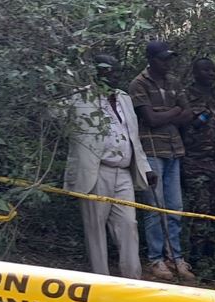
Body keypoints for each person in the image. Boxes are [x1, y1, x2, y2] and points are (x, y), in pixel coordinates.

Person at [59, 54, 156, 279]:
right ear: (97, 73)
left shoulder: (124, 98)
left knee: (129, 224)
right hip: (96, 170)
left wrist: (145, 167)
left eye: (115, 70)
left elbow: (133, 136)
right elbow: (52, 113)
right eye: (107, 70)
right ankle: (99, 282)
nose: (113, 74)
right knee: (95, 228)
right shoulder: (80, 97)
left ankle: (133, 281)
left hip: (123, 172)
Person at [129, 40, 195, 281]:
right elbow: (150, 119)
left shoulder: (174, 82)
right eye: (163, 59)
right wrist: (174, 112)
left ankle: (175, 257)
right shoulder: (138, 84)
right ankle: (156, 259)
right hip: (151, 150)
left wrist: (168, 115)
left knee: (175, 207)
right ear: (151, 59)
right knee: (155, 208)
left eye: (169, 58)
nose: (168, 63)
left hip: (174, 150)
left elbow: (188, 114)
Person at [181, 58, 215, 266]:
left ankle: (212, 259)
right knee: (200, 211)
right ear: (195, 73)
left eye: (213, 70)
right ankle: (197, 260)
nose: (211, 73)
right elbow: (184, 125)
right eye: (205, 70)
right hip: (195, 161)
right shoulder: (186, 95)